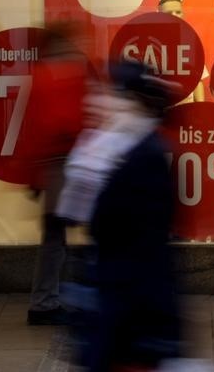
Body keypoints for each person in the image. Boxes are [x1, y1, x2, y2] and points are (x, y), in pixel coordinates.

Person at [72, 62, 182, 371]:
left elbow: (135, 237)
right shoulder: (123, 150)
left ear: (134, 103)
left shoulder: (144, 155)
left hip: (130, 305)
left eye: (113, 95)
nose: (101, 101)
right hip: (121, 299)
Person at [21, 24, 89, 325]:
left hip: (53, 167)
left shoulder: (40, 76)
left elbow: (31, 128)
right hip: (66, 166)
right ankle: (46, 302)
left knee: (55, 236)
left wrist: (33, 176)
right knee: (58, 236)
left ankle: (48, 300)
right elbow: (66, 123)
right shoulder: (64, 74)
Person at [158, 0, 208, 104]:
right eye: (168, 13)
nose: (174, 16)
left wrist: (200, 109)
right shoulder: (149, 44)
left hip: (186, 112)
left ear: (183, 14)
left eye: (178, 12)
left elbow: (197, 80)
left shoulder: (191, 44)